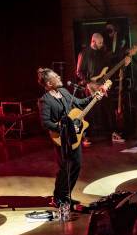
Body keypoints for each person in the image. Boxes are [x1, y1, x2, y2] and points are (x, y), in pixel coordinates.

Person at [38, 67, 105, 207]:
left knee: (76, 165)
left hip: (73, 136)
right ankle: (57, 198)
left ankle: (66, 195)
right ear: (49, 83)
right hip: (61, 138)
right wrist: (63, 128)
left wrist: (95, 96)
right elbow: (46, 123)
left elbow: (79, 103)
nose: (59, 77)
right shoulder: (45, 100)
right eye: (56, 76)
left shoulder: (63, 92)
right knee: (65, 168)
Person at [76, 33, 131, 144]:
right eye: (100, 43)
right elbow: (79, 71)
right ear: (93, 42)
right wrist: (89, 83)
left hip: (103, 86)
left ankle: (113, 134)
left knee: (109, 110)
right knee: (90, 112)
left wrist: (123, 62)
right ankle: (86, 136)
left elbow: (110, 65)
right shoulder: (84, 53)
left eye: (102, 42)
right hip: (90, 87)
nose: (102, 44)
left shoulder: (104, 52)